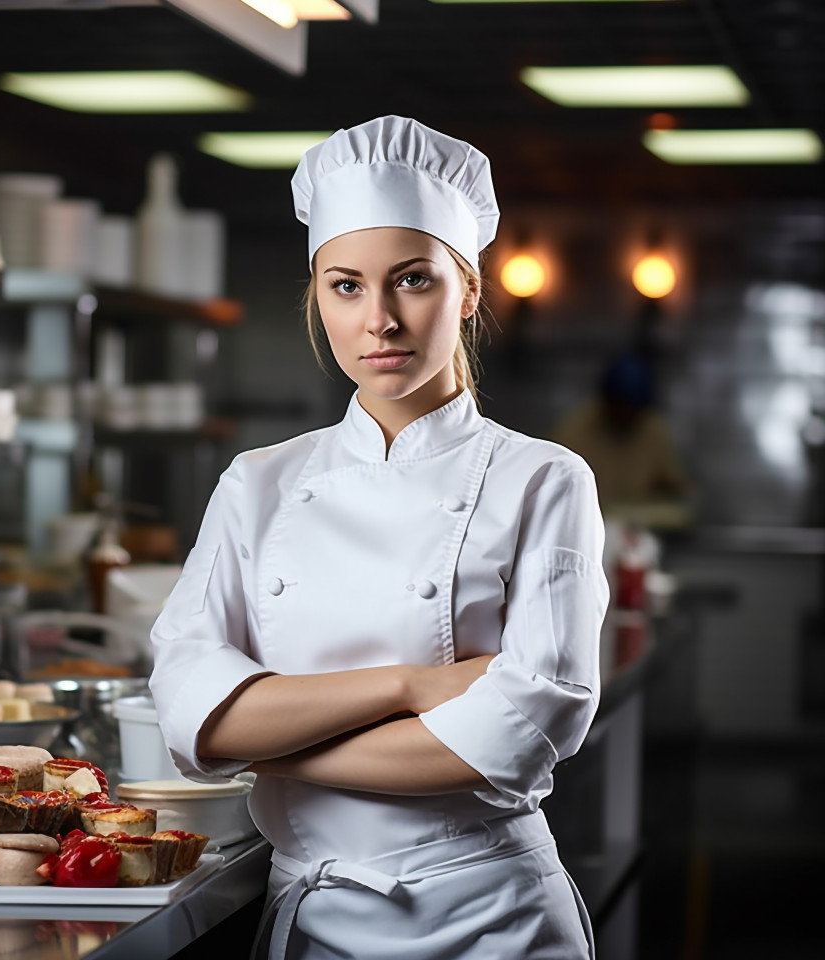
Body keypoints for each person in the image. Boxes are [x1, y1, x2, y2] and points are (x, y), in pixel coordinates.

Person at [149, 116, 609, 960]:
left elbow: (519, 732)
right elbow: (185, 703)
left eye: (413, 280)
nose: (381, 320)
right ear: (318, 296)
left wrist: (270, 747)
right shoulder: (260, 480)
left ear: (468, 290)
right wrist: (409, 686)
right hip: (308, 915)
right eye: (347, 286)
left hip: (488, 918)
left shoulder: (543, 478)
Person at [552, 349, 687, 511]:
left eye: (632, 409)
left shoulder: (653, 432)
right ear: (607, 400)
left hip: (639, 526)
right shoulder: (574, 431)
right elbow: (552, 489)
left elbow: (674, 491)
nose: (625, 414)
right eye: (619, 406)